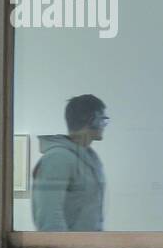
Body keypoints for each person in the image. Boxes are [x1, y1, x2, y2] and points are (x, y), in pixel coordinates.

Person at [32, 94, 108, 231]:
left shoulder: (90, 158)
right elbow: (49, 217)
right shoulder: (58, 158)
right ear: (92, 120)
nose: (104, 125)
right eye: (103, 119)